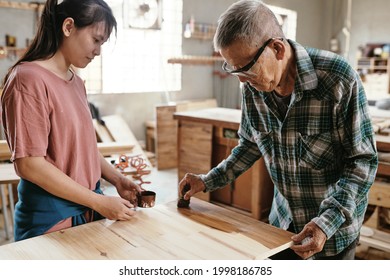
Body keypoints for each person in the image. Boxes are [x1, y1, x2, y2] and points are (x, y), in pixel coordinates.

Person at [178, 0, 378, 260]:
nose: (240, 79)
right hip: (282, 226)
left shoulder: (338, 79)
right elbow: (249, 145)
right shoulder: (253, 87)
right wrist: (207, 181)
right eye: (232, 68)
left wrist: (326, 223)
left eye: (246, 68)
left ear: (277, 49)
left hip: (333, 231)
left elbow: (362, 162)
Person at [1, 0, 142, 241]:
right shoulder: (28, 80)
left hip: (86, 212)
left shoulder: (76, 82)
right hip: (51, 222)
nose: (98, 51)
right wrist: (98, 201)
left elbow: (83, 149)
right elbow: (30, 165)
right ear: (68, 27)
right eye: (96, 40)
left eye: (102, 44)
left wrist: (116, 179)